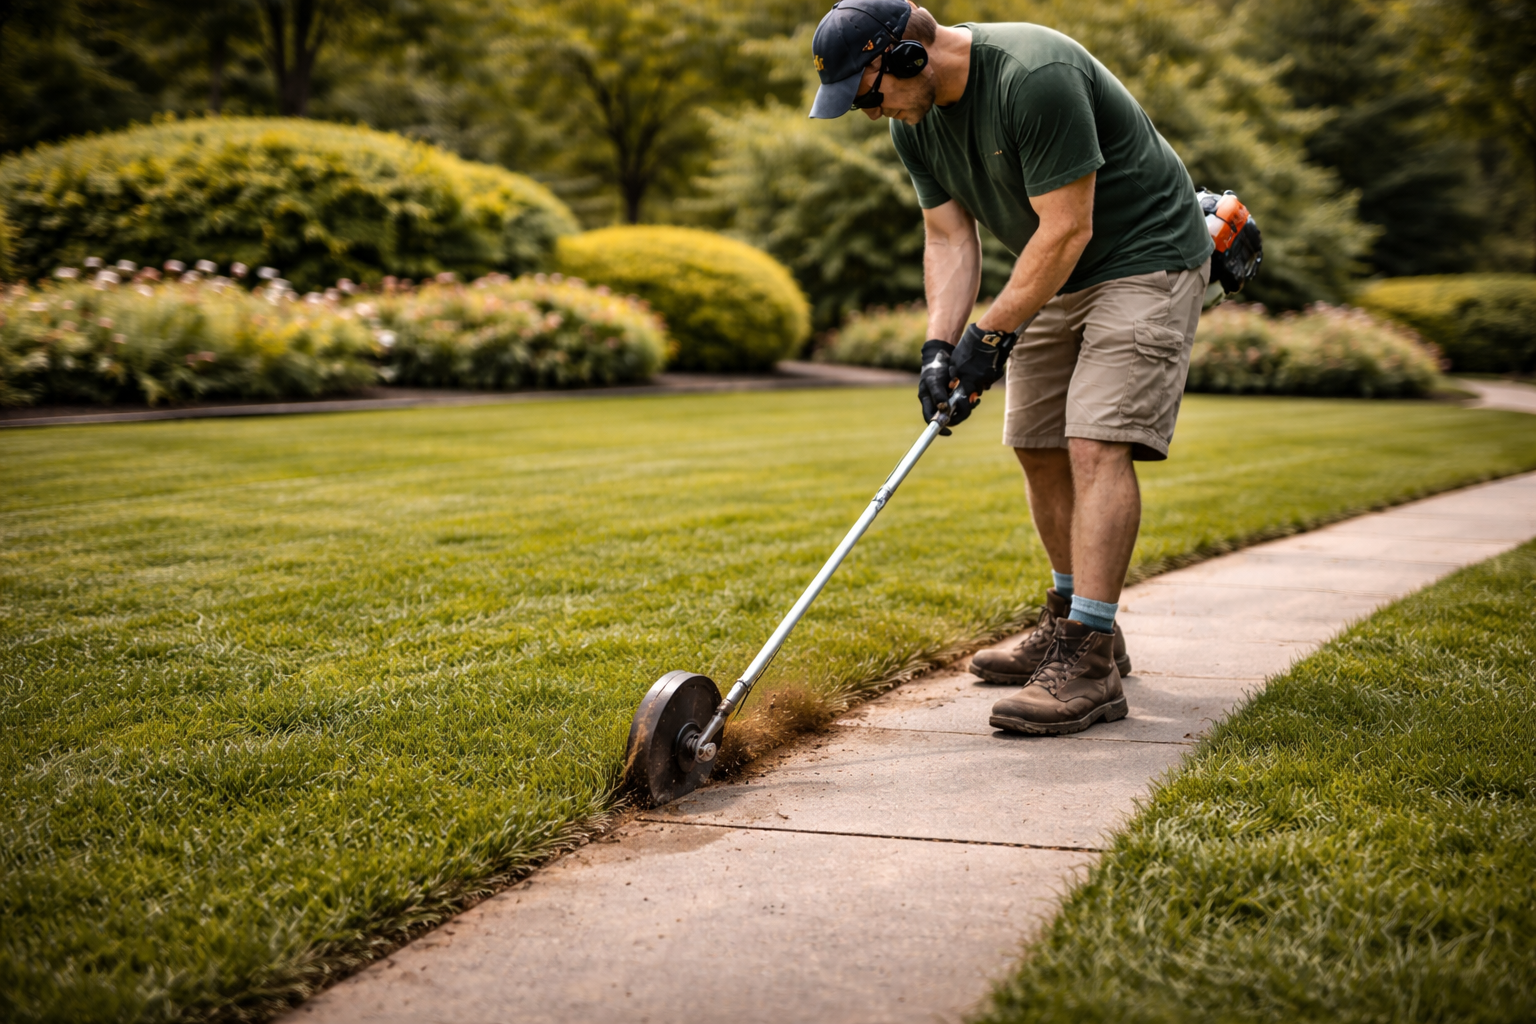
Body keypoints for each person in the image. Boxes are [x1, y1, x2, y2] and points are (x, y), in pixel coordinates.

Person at [809, 0, 1212, 735]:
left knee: (1095, 442)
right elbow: (948, 239)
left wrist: (989, 337)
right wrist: (940, 348)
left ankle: (1089, 662)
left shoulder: (1035, 74)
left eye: (868, 94)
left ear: (908, 58)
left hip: (1142, 256)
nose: (870, 114)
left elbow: (1069, 226)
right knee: (1034, 442)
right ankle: (1073, 622)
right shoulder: (915, 122)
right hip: (1053, 268)